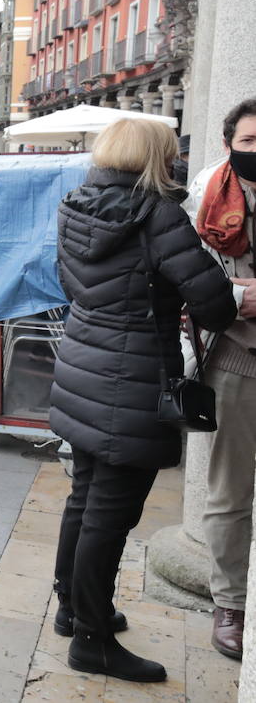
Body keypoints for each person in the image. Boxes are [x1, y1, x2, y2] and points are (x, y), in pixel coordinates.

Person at [50, 117, 235, 682]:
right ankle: (92, 641)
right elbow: (216, 304)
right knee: (110, 513)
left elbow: (71, 284)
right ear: (157, 156)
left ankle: (74, 609)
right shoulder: (156, 215)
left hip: (83, 370)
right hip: (130, 384)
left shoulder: (74, 205)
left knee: (85, 498)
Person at [185, 99, 256, 659]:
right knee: (229, 491)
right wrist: (236, 296)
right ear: (231, 142)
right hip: (237, 357)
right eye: (249, 141)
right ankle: (229, 603)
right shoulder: (208, 196)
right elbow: (187, 276)